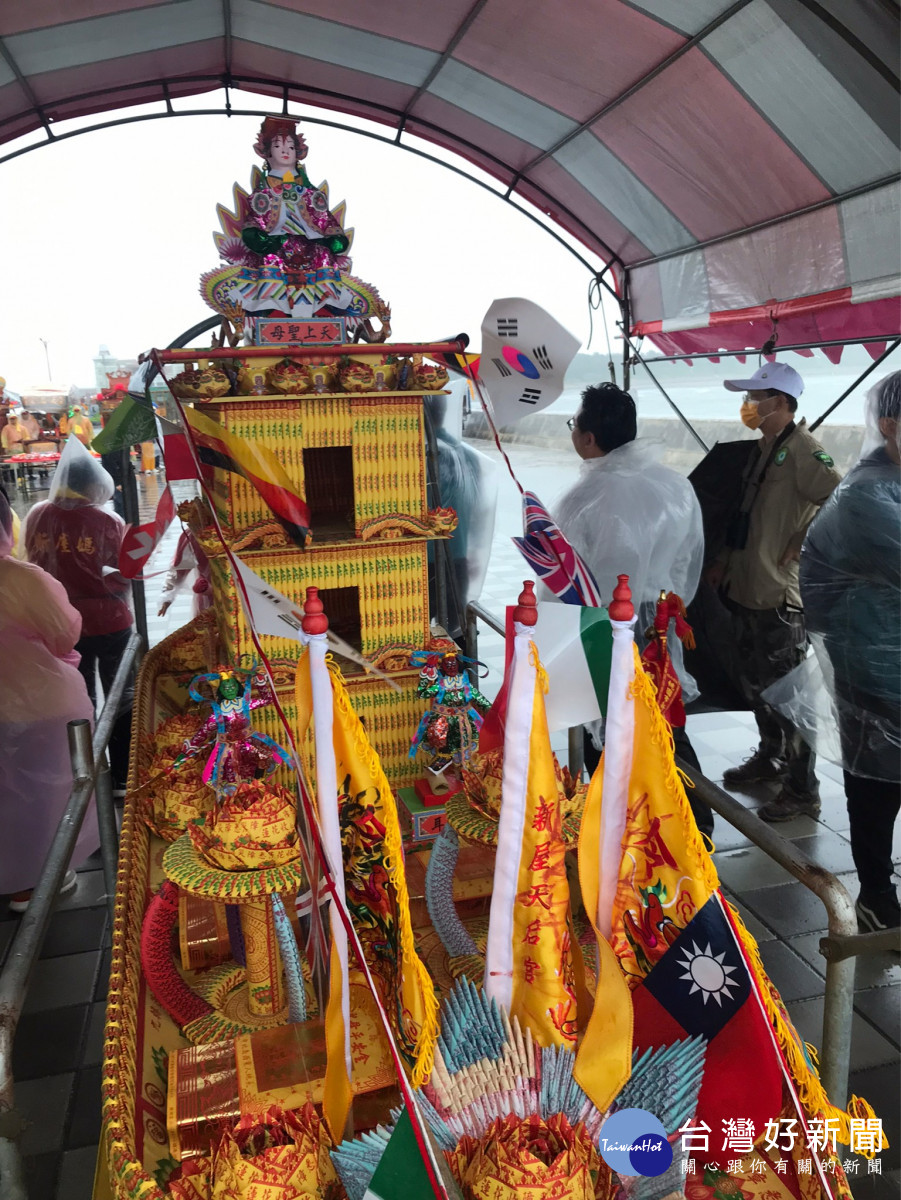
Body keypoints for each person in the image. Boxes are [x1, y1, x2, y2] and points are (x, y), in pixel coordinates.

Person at [555, 382, 712, 835]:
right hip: (660, 622)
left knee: (609, 730)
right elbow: (689, 562)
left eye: (574, 426)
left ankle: (625, 835)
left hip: (603, 627)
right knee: (664, 722)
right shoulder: (674, 484)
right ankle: (693, 827)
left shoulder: (582, 499)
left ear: (588, 438)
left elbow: (562, 583)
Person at [707, 362, 841, 821]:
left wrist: (804, 541)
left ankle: (803, 789)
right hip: (746, 583)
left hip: (778, 595)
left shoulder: (805, 451)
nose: (748, 406)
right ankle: (770, 755)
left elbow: (839, 498)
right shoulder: (764, 449)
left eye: (755, 397)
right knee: (756, 685)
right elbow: (747, 510)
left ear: (780, 402)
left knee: (790, 695)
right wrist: (724, 559)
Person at [800, 372, 900, 930]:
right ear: (889, 425)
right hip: (875, 671)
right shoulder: (867, 494)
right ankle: (876, 894)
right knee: (878, 783)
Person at [0, 487, 98, 911]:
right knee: (37, 796)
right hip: (38, 705)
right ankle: (35, 878)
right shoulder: (22, 579)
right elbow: (64, 632)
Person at [24, 437, 134, 788]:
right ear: (91, 484)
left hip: (59, 624)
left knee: (76, 699)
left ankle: (81, 773)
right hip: (110, 621)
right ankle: (119, 776)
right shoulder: (107, 521)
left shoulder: (38, 515)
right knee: (120, 696)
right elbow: (125, 573)